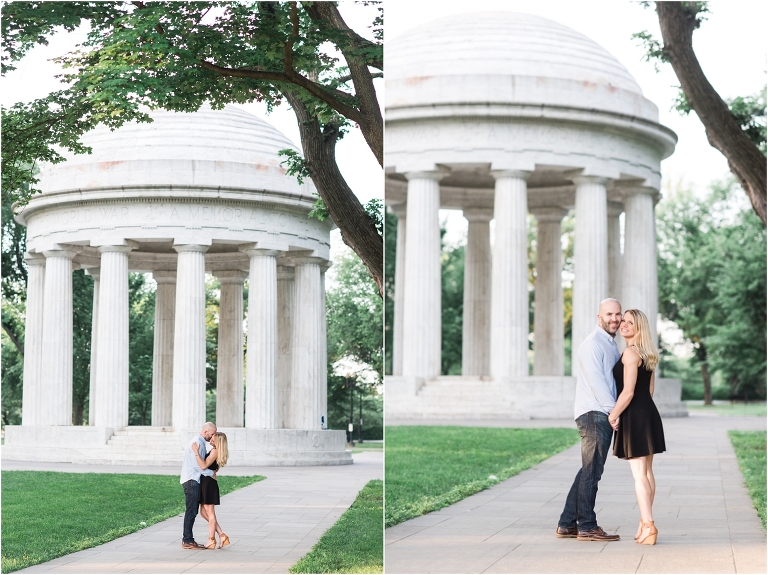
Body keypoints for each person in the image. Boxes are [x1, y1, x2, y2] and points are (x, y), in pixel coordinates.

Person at [556, 298, 622, 542]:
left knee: (589, 469)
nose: (614, 319)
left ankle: (566, 524)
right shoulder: (593, 344)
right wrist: (613, 413)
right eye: (609, 314)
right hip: (595, 413)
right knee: (592, 473)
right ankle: (587, 526)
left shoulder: (609, 344)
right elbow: (598, 383)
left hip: (600, 413)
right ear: (599, 317)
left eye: (617, 314)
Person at [608, 309, 666, 546]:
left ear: (639, 327)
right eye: (623, 321)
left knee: (639, 475)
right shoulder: (648, 353)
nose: (624, 325)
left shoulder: (631, 354)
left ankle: (649, 525)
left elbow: (628, 391)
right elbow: (649, 391)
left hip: (635, 415)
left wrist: (614, 414)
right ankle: (644, 523)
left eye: (630, 322)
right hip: (648, 412)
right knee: (648, 473)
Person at [180, 421, 217, 549]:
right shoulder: (197, 442)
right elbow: (198, 465)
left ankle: (188, 539)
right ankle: (187, 540)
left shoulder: (200, 442)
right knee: (191, 511)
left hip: (193, 479)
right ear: (205, 432)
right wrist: (210, 472)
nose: (213, 436)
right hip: (191, 480)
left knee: (193, 511)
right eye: (212, 434)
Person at [191, 431, 231, 549]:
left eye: (213, 438)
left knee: (210, 513)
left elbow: (203, 466)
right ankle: (222, 535)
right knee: (203, 513)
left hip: (208, 484)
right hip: (207, 482)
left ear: (218, 441)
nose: (211, 439)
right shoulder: (217, 451)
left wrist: (196, 452)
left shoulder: (215, 451)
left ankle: (211, 539)